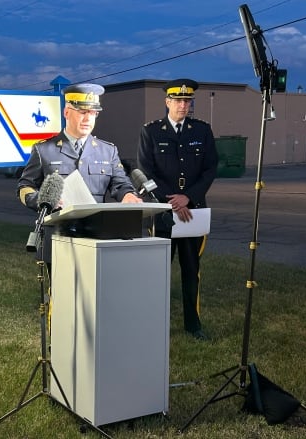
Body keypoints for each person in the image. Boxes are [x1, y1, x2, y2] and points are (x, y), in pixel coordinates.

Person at [17, 83, 142, 262]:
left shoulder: (108, 151)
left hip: (96, 237)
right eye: (82, 112)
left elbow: (120, 183)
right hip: (58, 237)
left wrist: (128, 195)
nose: (88, 119)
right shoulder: (43, 150)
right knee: (60, 290)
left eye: (93, 113)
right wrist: (40, 200)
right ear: (66, 112)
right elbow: (25, 186)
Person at [137, 78, 218, 340]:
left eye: (188, 101)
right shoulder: (151, 132)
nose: (183, 105)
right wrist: (171, 201)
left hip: (192, 213)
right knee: (158, 272)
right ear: (167, 102)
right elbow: (145, 173)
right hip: (162, 214)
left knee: (191, 270)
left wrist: (189, 198)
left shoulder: (202, 131)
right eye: (178, 100)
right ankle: (153, 323)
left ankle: (193, 325)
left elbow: (209, 169)